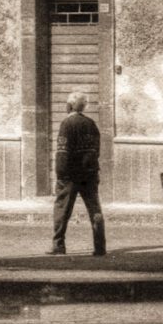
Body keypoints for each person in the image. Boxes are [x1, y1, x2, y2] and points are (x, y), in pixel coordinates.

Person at [50, 92, 106, 256]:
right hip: (89, 174)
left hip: (70, 176)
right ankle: (100, 247)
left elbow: (63, 151)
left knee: (62, 209)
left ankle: (58, 246)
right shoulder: (91, 124)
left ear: (69, 106)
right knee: (95, 209)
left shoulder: (67, 124)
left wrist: (60, 174)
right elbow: (97, 151)